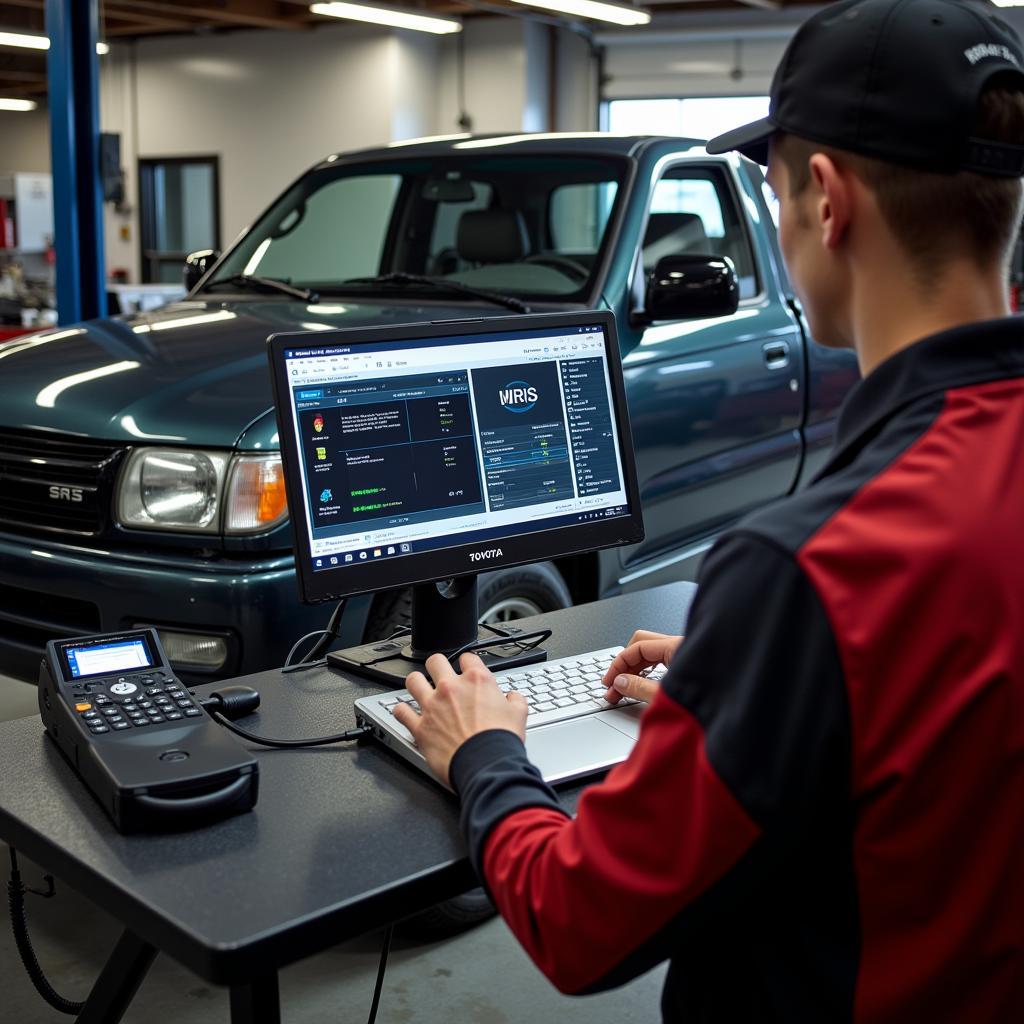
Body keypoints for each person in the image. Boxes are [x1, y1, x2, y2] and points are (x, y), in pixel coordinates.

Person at [394, 0, 1024, 1019]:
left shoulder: (808, 568)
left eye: (772, 194)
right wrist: (765, 695)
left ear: (826, 201)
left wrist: (485, 754)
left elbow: (579, 921)